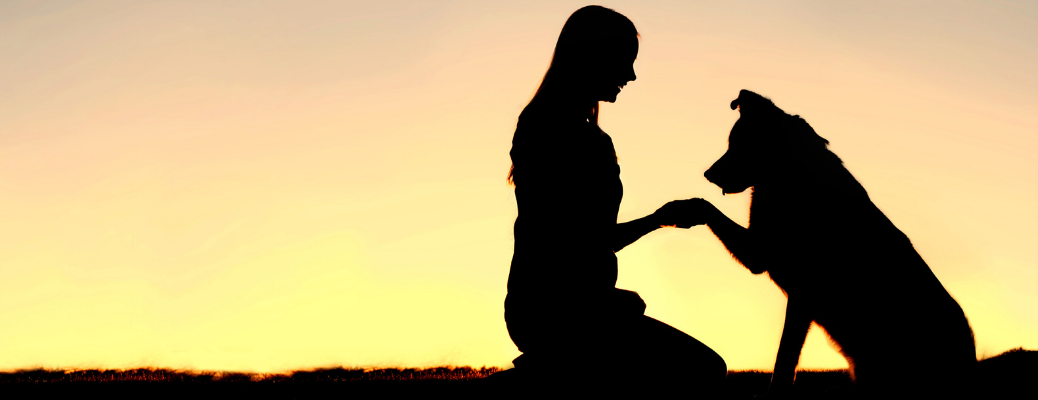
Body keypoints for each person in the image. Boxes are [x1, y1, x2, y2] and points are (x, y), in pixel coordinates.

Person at [503, 5, 726, 395]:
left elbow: (580, 236)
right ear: (594, 57)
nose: (631, 74)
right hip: (564, 314)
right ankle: (540, 375)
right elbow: (576, 240)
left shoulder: (542, 123)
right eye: (625, 61)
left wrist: (658, 220)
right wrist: (607, 302)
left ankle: (551, 369)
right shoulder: (572, 136)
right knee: (703, 371)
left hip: (544, 309)